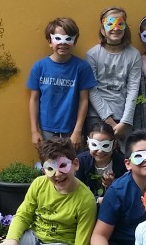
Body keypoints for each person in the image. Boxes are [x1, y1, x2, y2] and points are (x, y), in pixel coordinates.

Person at [26, 17, 96, 150]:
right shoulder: (39, 67)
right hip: (46, 129)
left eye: (68, 38)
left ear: (74, 41)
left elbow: (84, 100)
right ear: (49, 41)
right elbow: (34, 99)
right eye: (58, 38)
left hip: (71, 129)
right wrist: (34, 131)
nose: (63, 43)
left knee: (71, 166)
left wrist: (77, 131)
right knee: (50, 165)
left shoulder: (82, 67)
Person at [86, 6, 142, 148]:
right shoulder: (92, 55)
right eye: (110, 24)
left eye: (120, 24)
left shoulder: (134, 55)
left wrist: (124, 121)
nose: (115, 28)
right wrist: (109, 121)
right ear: (103, 28)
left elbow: (133, 88)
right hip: (96, 117)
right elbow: (91, 89)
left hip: (123, 117)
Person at [75, 122, 127, 202]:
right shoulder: (81, 161)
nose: (100, 151)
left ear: (114, 144)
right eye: (94, 145)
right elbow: (76, 189)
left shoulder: (122, 163)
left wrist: (113, 183)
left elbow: (126, 190)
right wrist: (97, 200)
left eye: (105, 145)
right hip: (86, 204)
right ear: (88, 143)